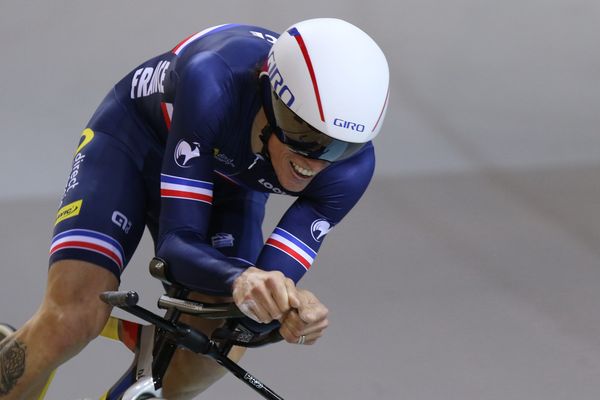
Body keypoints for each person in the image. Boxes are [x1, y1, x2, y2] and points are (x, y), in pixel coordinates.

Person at [0, 17, 389, 399]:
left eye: (340, 147)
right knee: (75, 316)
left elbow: (258, 304)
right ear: (269, 97)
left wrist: (291, 312)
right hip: (132, 143)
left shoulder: (351, 170)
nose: (315, 161)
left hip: (228, 181)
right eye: (304, 134)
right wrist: (240, 280)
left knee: (214, 350)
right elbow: (176, 243)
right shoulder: (214, 80)